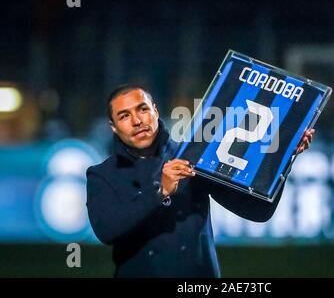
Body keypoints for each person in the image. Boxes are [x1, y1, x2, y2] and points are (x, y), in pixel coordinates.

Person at [86, 85, 314, 277]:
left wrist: (284, 159)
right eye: (124, 116)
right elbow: (108, 230)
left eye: (142, 109)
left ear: (155, 111)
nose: (137, 120)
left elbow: (257, 211)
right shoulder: (101, 174)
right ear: (113, 127)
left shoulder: (195, 156)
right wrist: (159, 192)